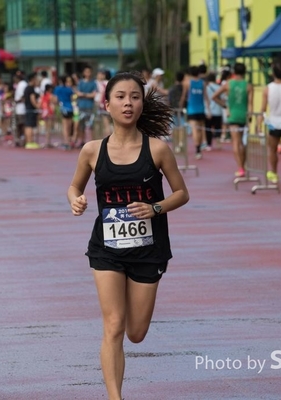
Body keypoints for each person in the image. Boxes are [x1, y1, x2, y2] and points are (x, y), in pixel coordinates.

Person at [67, 71, 189, 400]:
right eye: (120, 97)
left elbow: (181, 193)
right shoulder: (92, 150)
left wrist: (156, 209)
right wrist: (75, 199)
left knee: (135, 333)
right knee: (114, 325)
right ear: (106, 104)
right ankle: (114, 397)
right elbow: (74, 185)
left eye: (134, 96)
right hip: (107, 248)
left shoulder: (158, 149)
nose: (128, 103)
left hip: (149, 250)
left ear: (141, 103)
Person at [212, 63, 253, 177]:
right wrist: (249, 117)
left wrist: (225, 106)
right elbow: (250, 104)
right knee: (243, 143)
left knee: (236, 142)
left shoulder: (229, 84)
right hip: (243, 116)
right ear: (245, 72)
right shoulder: (248, 85)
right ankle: (243, 166)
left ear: (234, 72)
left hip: (233, 116)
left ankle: (240, 168)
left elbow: (214, 96)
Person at [179, 65, 210, 159]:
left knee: (195, 130)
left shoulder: (187, 83)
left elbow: (184, 96)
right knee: (200, 130)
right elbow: (206, 97)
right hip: (201, 110)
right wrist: (209, 110)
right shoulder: (203, 83)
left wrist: (180, 105)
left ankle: (197, 149)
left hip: (192, 110)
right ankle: (198, 149)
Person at [75, 66, 98, 147]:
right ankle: (81, 140)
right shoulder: (80, 82)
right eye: (86, 72)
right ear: (84, 73)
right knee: (81, 125)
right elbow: (78, 93)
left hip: (89, 106)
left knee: (90, 124)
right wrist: (87, 95)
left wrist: (84, 94)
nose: (88, 73)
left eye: (89, 72)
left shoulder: (93, 83)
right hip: (81, 106)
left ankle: (91, 142)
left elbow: (94, 94)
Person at [204, 72, 223, 150]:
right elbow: (223, 98)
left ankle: (209, 144)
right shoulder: (219, 87)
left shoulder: (206, 88)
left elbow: (205, 99)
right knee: (218, 128)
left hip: (208, 111)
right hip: (218, 111)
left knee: (208, 128)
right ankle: (218, 143)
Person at [23, 72, 40, 149]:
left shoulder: (27, 88)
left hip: (27, 108)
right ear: (32, 79)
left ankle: (29, 141)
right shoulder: (30, 89)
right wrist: (37, 107)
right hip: (31, 109)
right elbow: (32, 99)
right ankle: (30, 141)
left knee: (28, 125)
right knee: (30, 125)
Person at [39, 84, 55, 148]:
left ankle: (47, 142)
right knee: (49, 128)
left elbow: (40, 104)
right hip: (49, 112)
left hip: (44, 112)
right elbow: (53, 103)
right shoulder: (50, 96)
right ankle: (48, 142)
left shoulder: (43, 96)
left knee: (46, 128)